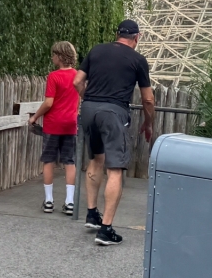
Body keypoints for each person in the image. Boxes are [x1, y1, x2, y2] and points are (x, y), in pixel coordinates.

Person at [73, 19, 154, 246]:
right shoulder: (138, 60)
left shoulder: (97, 50)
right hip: (113, 112)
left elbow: (77, 81)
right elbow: (148, 99)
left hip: (89, 109)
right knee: (115, 168)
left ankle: (92, 214)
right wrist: (148, 123)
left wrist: (89, 100)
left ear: (117, 34)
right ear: (137, 37)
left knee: (95, 159)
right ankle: (106, 229)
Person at [28, 41, 80, 215]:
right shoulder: (78, 76)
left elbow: (49, 102)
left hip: (53, 124)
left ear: (59, 56)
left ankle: (49, 201)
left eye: (53, 55)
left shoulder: (54, 76)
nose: (52, 58)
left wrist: (35, 116)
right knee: (69, 162)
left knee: (49, 160)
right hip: (71, 124)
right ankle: (70, 202)